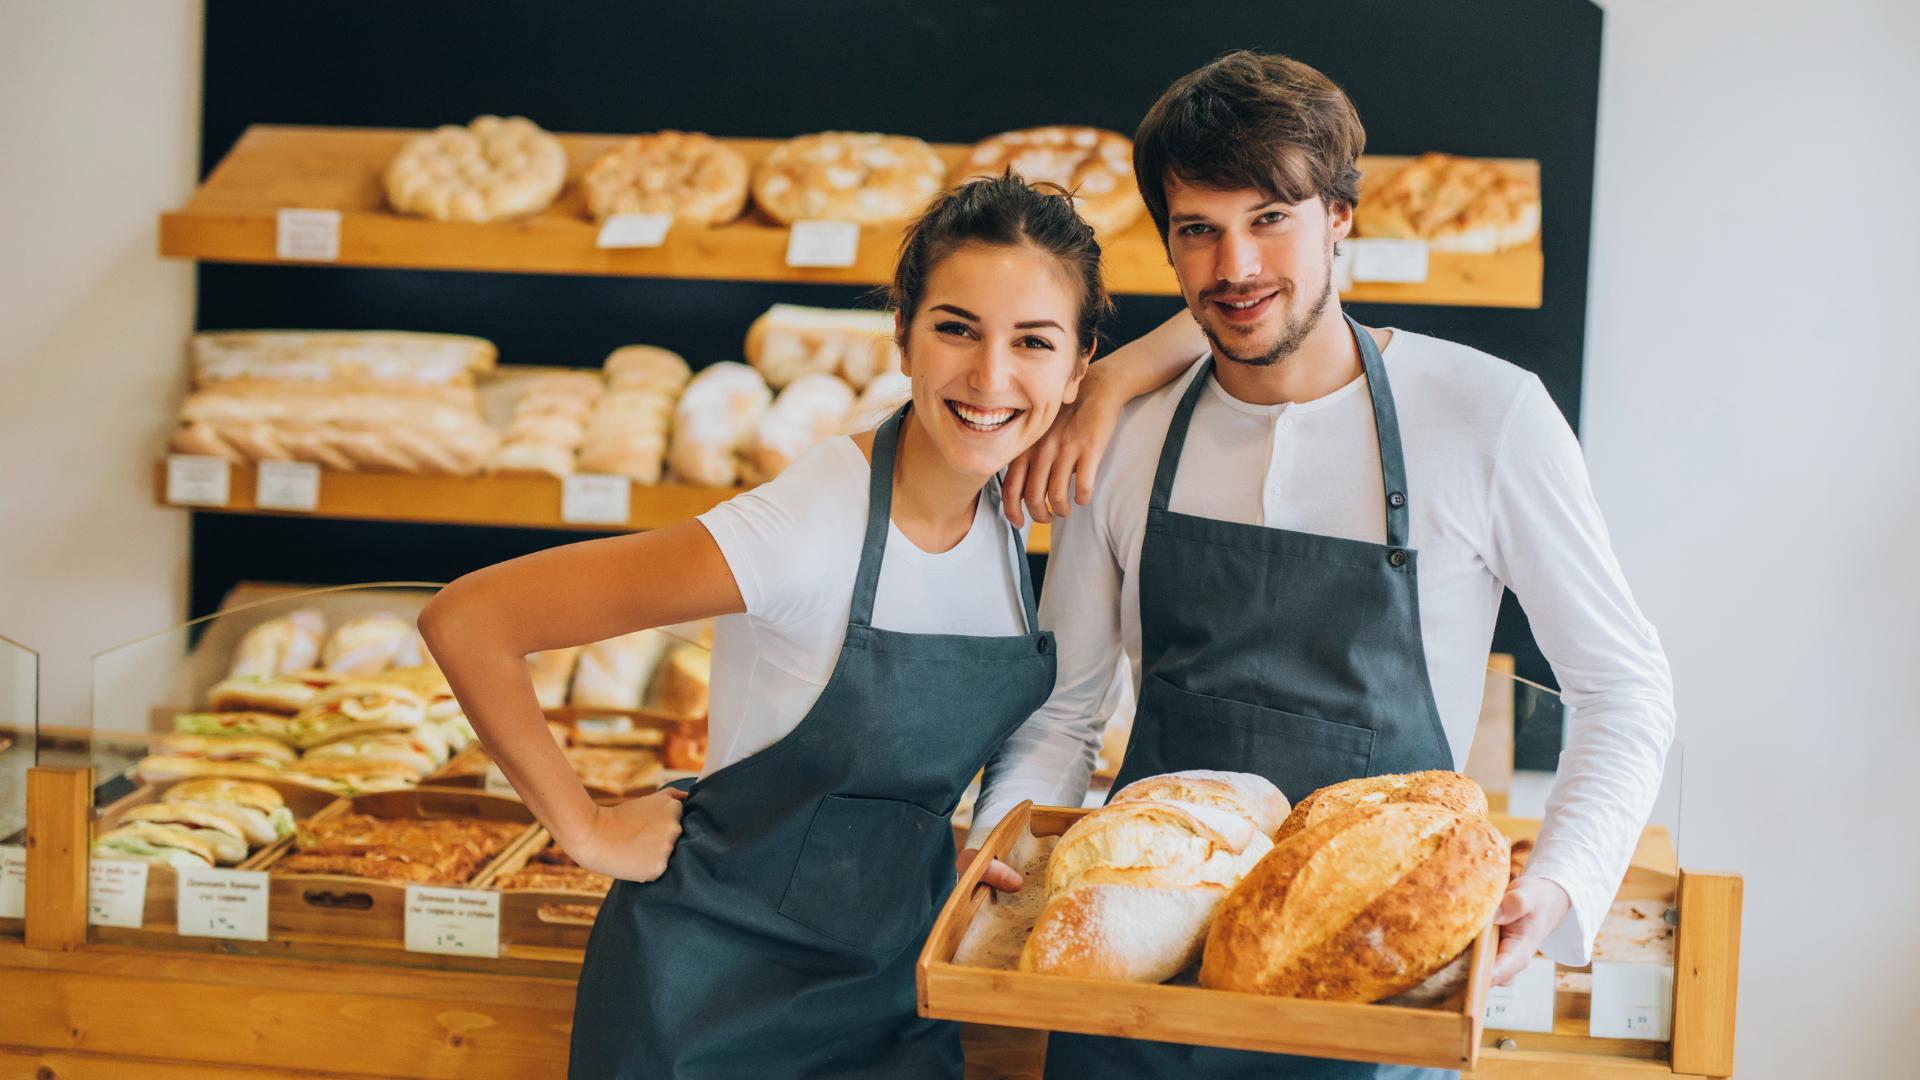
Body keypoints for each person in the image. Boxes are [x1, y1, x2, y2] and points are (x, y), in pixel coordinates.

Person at [962, 51, 1677, 1079]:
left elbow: (1624, 687)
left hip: (1375, 997)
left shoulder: (1486, 418)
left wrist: (1556, 884)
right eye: (1197, 230)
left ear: (1340, 215)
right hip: (1136, 996)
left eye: (1270, 219)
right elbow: (1065, 714)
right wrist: (1003, 849)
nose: (1234, 266)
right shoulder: (1120, 437)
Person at [417, 173, 1106, 1080]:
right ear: (901, 334)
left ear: (1079, 366)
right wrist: (581, 827)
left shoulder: (1009, 514)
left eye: (1033, 343)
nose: (990, 377)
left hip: (894, 993)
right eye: (956, 328)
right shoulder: (808, 522)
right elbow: (470, 618)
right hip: (707, 1002)